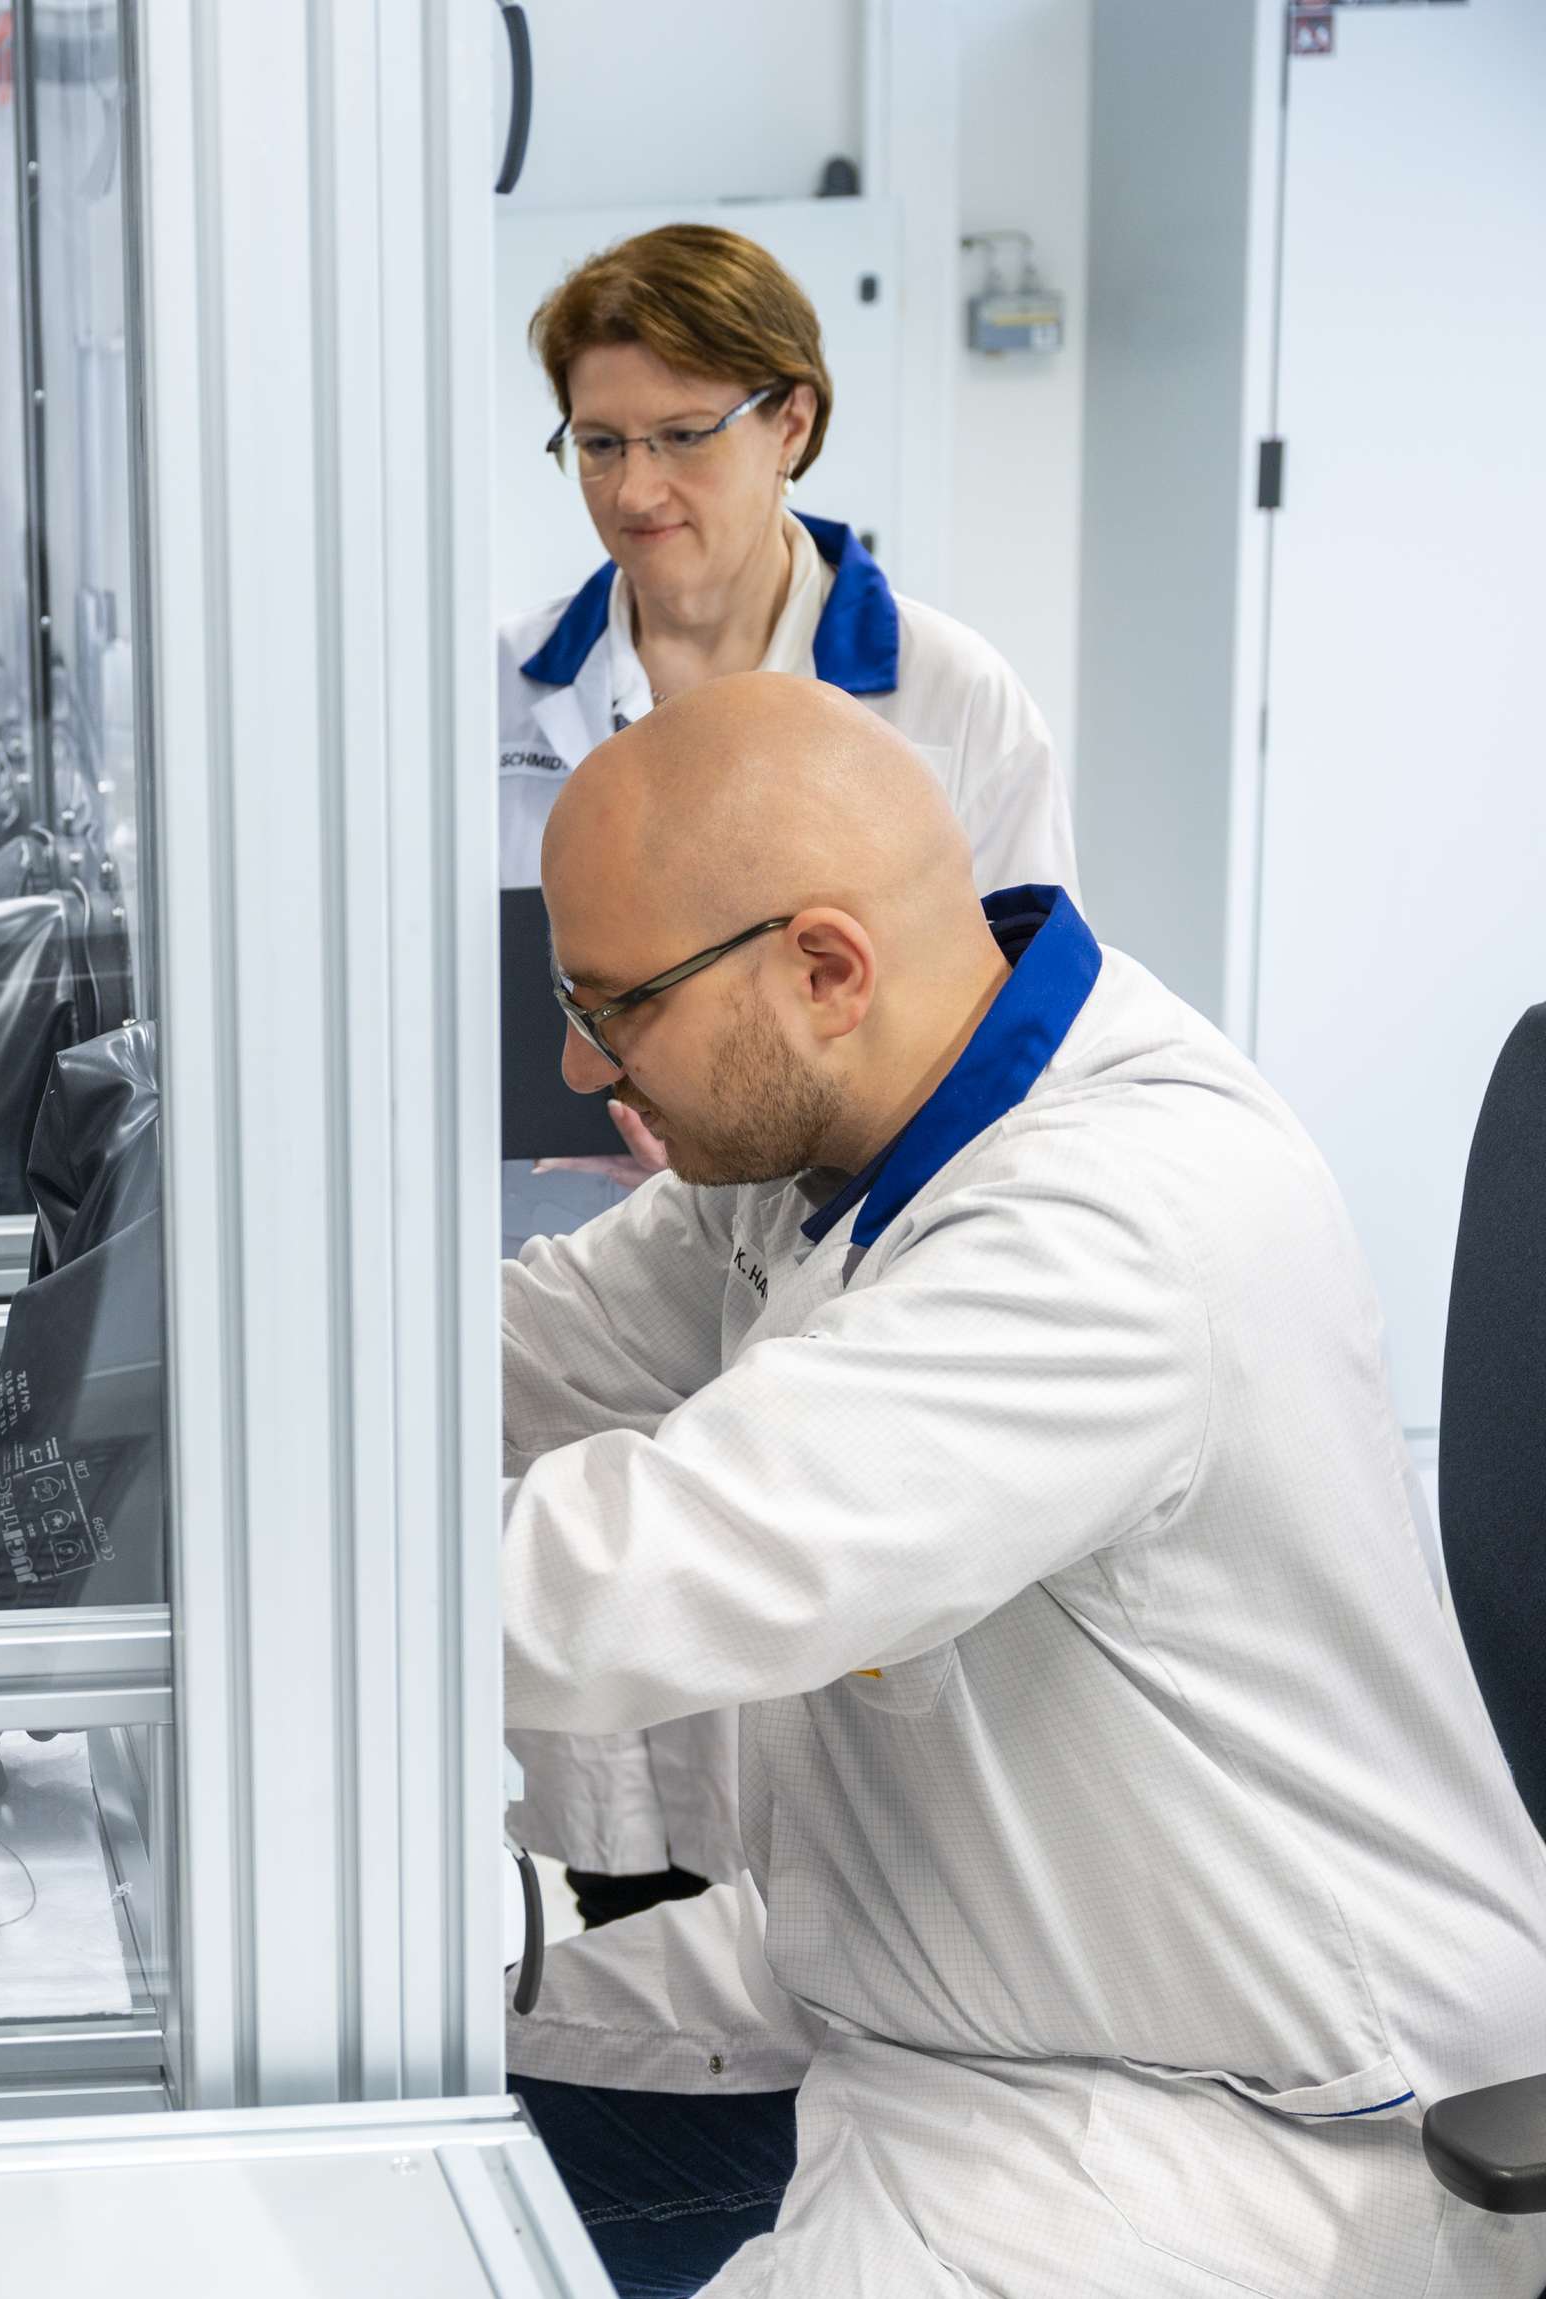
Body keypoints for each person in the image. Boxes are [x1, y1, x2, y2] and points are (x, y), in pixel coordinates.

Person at [499, 673, 1546, 2295]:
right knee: (388, 2070)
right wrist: (217, 1405)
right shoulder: (841, 1124)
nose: (580, 1067)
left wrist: (238, 1580)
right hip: (941, 1970)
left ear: (825, 967)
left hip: (1216, 2111)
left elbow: (635, 1576)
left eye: (614, 1006)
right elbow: (538, 1346)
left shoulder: (1110, 1230)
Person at [498, 222, 1078, 1928]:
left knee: (787, 1682)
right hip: (598, 1237)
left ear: (792, 424)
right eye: (599, 442)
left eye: (684, 434)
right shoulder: (495, 695)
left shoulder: (948, 702)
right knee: (612, 1765)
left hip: (842, 1260)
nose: (636, 486)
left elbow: (988, 1032)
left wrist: (752, 1101)